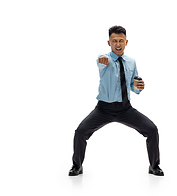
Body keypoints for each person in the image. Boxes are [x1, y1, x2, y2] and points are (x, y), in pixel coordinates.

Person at [69, 26, 164, 176]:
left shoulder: (131, 62)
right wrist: (102, 60)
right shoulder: (103, 59)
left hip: (126, 109)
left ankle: (154, 166)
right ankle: (77, 166)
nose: (118, 44)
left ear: (126, 42)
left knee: (152, 130)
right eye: (114, 41)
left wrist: (138, 86)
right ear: (109, 43)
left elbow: (133, 84)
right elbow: (101, 61)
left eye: (121, 41)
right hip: (103, 110)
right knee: (80, 132)